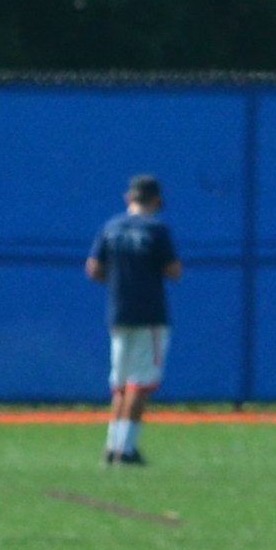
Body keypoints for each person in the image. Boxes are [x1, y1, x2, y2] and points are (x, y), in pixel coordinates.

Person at [87, 175, 180, 465]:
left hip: (118, 312)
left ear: (129, 198)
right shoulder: (156, 229)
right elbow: (174, 271)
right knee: (140, 384)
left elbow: (93, 269)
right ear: (157, 201)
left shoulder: (111, 228)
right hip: (150, 315)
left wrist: (120, 281)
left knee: (120, 383)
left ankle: (112, 446)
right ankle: (125, 449)